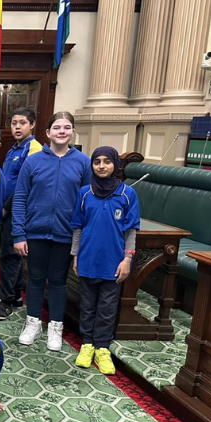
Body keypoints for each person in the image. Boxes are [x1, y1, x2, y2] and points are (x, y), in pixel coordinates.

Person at [13, 111, 91, 351]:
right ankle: (33, 323)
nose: (62, 131)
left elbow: (87, 200)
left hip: (65, 234)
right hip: (35, 232)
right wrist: (19, 234)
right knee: (35, 279)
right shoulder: (33, 161)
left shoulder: (83, 162)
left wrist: (81, 237)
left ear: (72, 132)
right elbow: (20, 198)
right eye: (57, 127)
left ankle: (55, 327)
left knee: (58, 281)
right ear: (47, 132)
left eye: (67, 127)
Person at [72, 146, 140, 375]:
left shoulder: (127, 194)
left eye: (107, 162)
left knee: (107, 308)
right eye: (97, 161)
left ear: (115, 165)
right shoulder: (84, 193)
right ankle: (88, 344)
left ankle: (102, 348)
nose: (101, 166)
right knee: (88, 306)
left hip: (114, 262)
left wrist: (127, 259)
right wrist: (75, 256)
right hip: (88, 259)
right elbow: (78, 229)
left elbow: (131, 231)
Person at [0, 107, 43, 320]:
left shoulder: (34, 148)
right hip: (8, 208)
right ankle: (15, 294)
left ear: (32, 125)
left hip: (18, 209)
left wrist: (6, 206)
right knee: (7, 251)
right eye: (14, 123)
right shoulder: (14, 148)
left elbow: (25, 184)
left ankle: (5, 301)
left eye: (22, 122)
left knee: (10, 255)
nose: (17, 127)